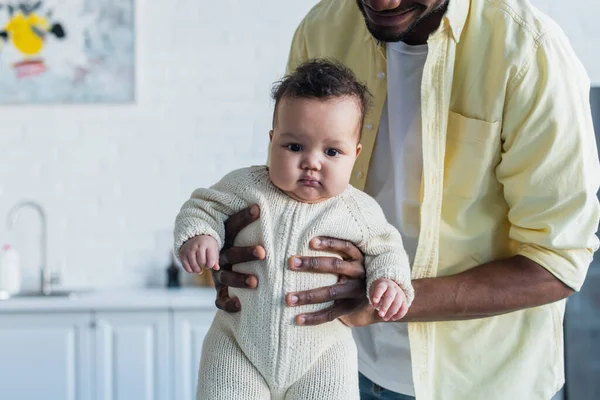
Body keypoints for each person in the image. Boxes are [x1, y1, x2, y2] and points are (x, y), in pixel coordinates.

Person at [209, 0, 600, 399]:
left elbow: (557, 262)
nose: (383, 2)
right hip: (331, 367)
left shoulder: (529, 52)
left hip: (475, 384)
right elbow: (294, 186)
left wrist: (382, 298)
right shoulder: (322, 28)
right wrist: (235, 248)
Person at [174, 59, 414, 399]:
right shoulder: (245, 186)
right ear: (272, 141)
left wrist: (389, 281)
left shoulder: (356, 209)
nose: (312, 162)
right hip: (238, 344)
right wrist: (201, 235)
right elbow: (202, 207)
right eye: (295, 146)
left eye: (332, 151)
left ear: (354, 155)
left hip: (322, 354)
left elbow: (385, 248)